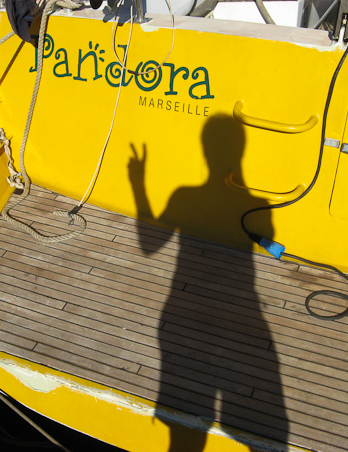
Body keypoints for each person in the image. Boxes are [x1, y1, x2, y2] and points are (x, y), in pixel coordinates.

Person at [128, 114, 289, 451]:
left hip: (180, 317)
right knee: (263, 429)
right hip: (246, 321)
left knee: (184, 437)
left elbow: (148, 246)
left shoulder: (183, 196)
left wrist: (138, 184)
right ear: (241, 151)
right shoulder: (260, 204)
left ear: (203, 152)